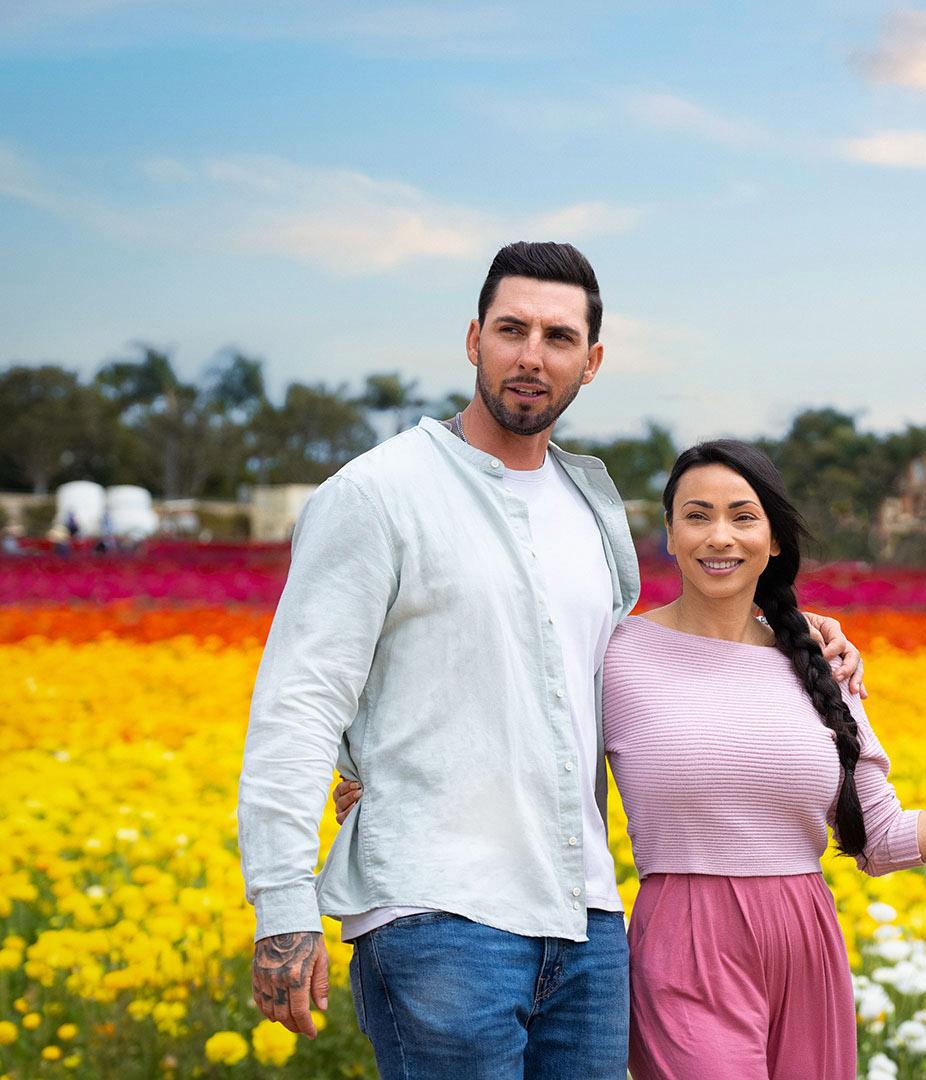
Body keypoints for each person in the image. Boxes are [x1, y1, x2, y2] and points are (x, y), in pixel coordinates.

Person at [239, 241, 862, 1080]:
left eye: (559, 337)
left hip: (589, 924)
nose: (533, 356)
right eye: (512, 329)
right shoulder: (378, 494)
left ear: (591, 361)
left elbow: (622, 666)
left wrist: (788, 630)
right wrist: (283, 907)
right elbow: (298, 701)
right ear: (473, 340)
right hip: (437, 913)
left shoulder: (591, 505)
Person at [343, 440, 926, 1078]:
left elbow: (883, 840)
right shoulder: (615, 655)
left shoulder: (821, 664)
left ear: (772, 539)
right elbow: (520, 740)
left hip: (807, 941)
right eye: (698, 516)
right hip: (684, 942)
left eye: (743, 517)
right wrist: (388, 783)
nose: (720, 537)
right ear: (669, 535)